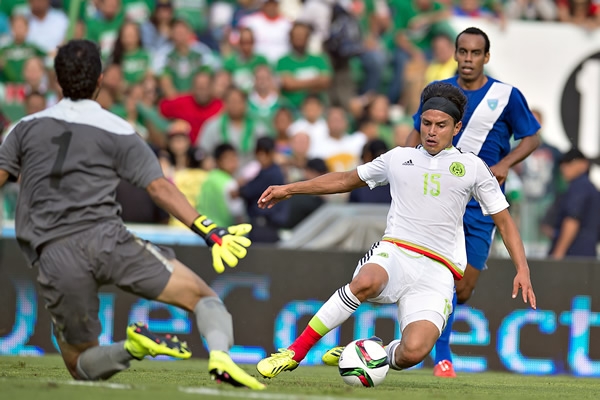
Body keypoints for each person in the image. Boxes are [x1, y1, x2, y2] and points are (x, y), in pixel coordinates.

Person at [0, 40, 265, 390]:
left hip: (55, 254)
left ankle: (131, 347)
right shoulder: (119, 129)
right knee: (204, 298)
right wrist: (209, 230)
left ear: (56, 80)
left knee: (79, 364)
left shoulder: (23, 127)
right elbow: (160, 188)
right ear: (101, 78)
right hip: (109, 241)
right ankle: (220, 356)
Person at [255, 82, 536, 380]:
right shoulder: (399, 158)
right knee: (366, 280)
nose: (431, 131)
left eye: (441, 125)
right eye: (426, 123)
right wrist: (290, 189)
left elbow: (504, 220)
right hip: (396, 252)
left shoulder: (473, 167)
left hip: (437, 271)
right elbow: (344, 180)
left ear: (457, 128)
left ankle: (372, 352)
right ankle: (293, 353)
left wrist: (523, 269)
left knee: (414, 352)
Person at [405, 27, 541, 377]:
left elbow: (532, 137)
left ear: (486, 57)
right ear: (454, 54)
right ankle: (442, 354)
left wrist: (505, 164)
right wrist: (403, 164)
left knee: (463, 288)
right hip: (440, 194)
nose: (468, 59)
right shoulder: (439, 92)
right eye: (462, 52)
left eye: (475, 53)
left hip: (482, 202)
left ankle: (426, 336)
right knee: (445, 274)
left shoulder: (505, 95)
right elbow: (416, 131)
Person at [547, 149, 600, 259]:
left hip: (572, 256)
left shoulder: (579, 187)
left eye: (569, 163)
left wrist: (558, 254)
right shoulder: (592, 189)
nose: (564, 168)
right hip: (588, 256)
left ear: (583, 164)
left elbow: (572, 220)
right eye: (563, 164)